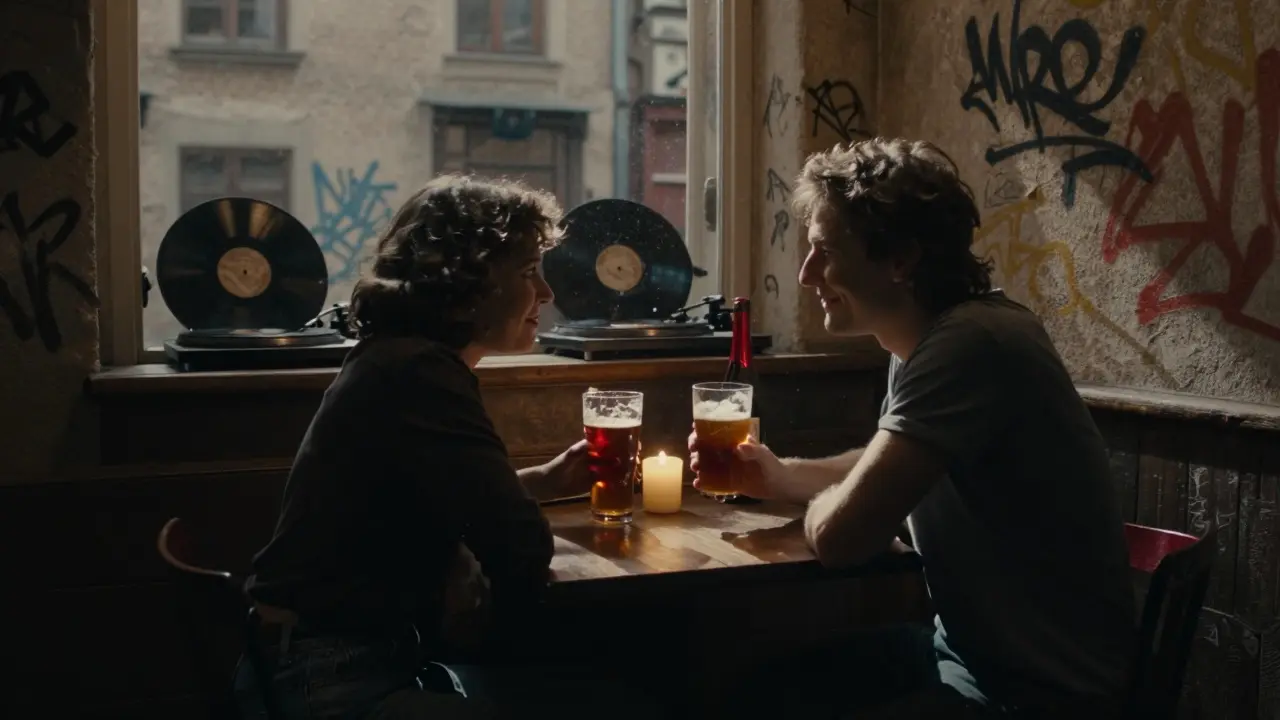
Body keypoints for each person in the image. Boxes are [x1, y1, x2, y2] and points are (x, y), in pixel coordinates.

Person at [691, 138, 1136, 718]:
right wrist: (778, 476)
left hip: (1040, 692)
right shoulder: (931, 338)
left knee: (749, 692)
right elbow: (887, 463)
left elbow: (841, 538)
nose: (805, 275)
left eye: (824, 251)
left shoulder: (970, 346)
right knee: (754, 682)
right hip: (969, 655)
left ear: (900, 259)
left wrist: (826, 506)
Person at [235, 176, 605, 718]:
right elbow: (522, 549)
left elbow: (420, 503)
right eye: (529, 273)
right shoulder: (421, 375)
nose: (548, 294)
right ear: (467, 283)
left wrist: (543, 481)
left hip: (314, 661)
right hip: (330, 680)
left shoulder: (394, 360)